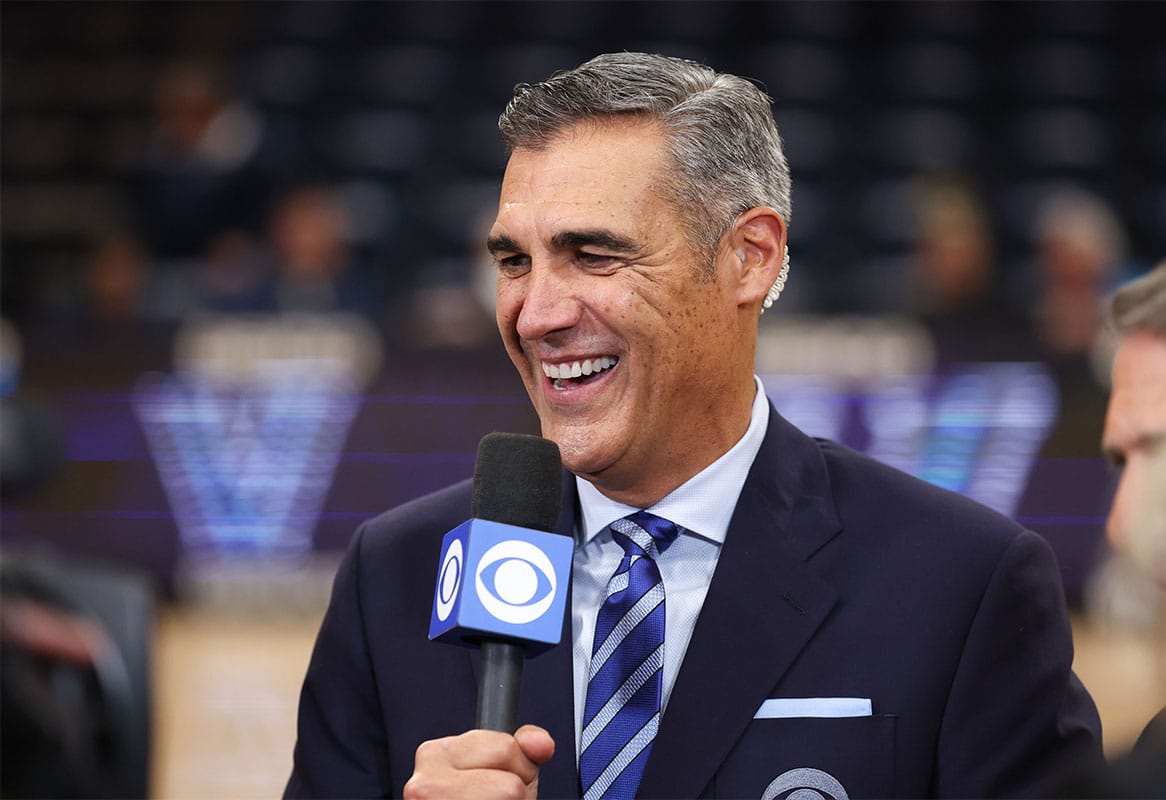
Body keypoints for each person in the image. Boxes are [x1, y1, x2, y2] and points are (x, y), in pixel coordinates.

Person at [286, 53, 1102, 799]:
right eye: (513, 262)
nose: (535, 314)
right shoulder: (391, 578)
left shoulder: (964, 587)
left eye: (594, 255)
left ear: (750, 257)